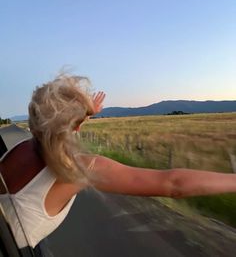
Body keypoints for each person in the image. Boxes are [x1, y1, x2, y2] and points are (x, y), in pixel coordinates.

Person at [0, 73, 236, 251]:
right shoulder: (82, 168)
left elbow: (54, 128)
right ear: (78, 125)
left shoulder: (16, 149)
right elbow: (173, 184)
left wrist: (83, 113)